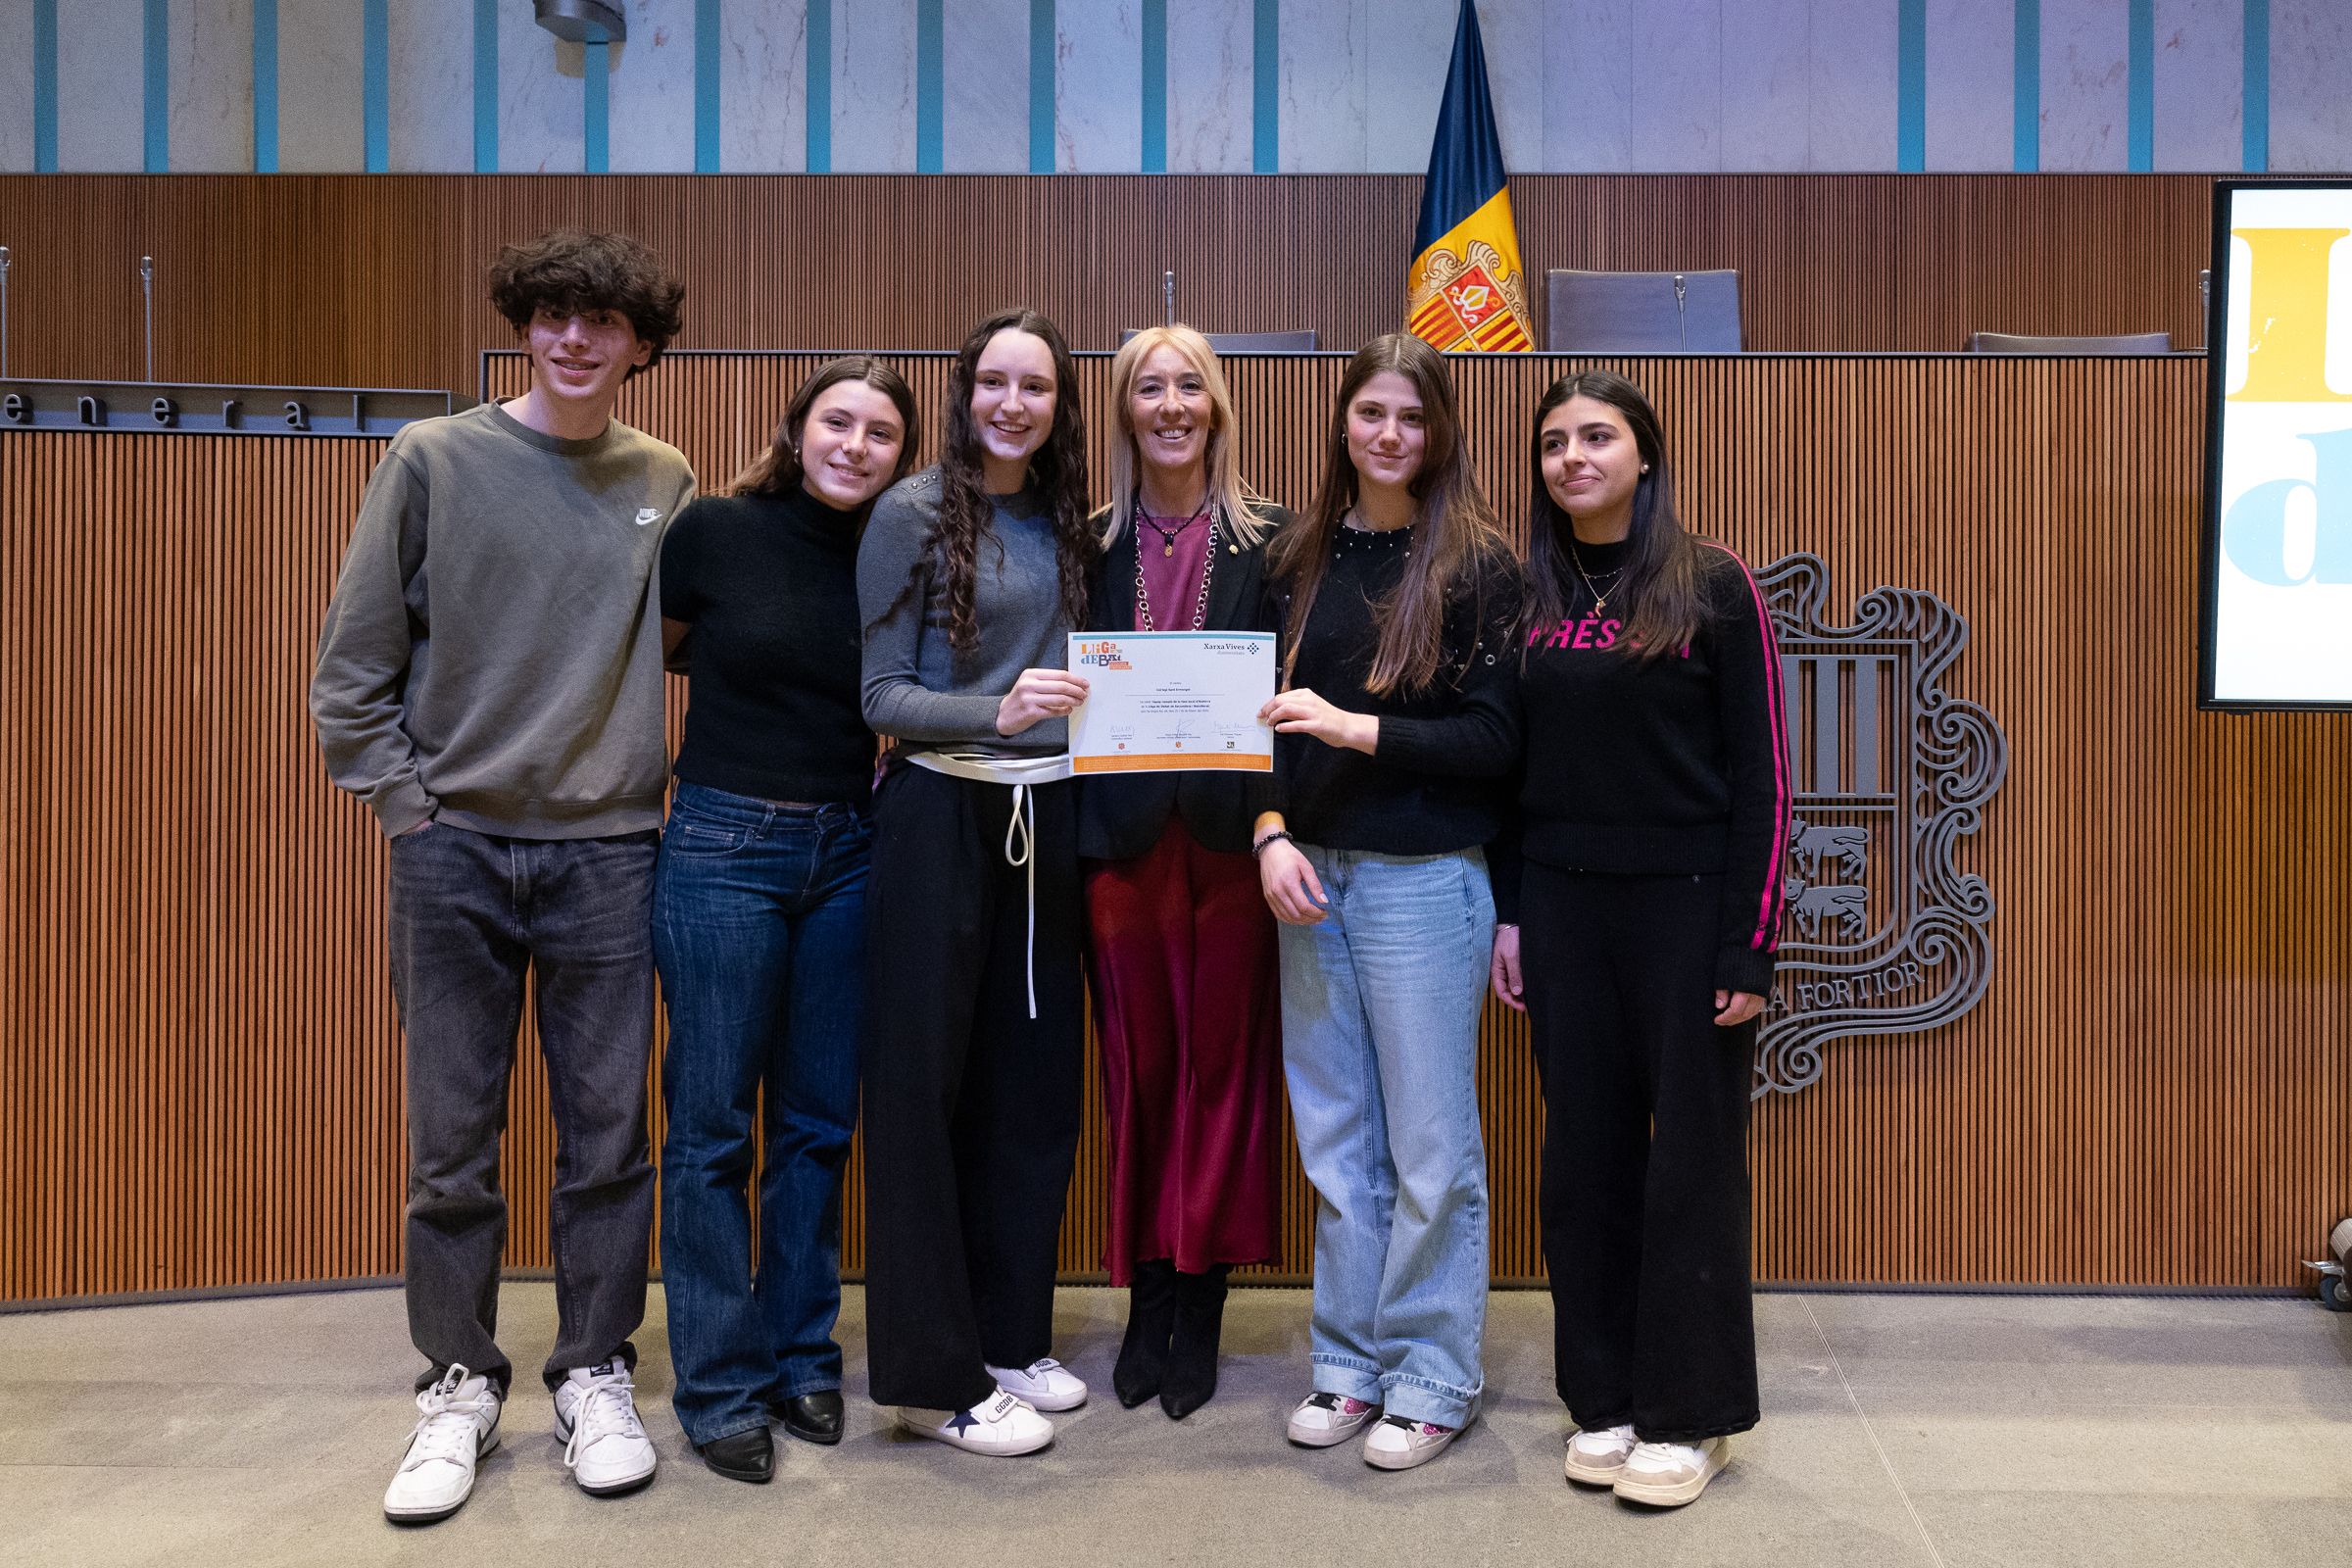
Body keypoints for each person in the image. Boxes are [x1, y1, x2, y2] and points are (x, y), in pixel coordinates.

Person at [309, 228, 693, 1522]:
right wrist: (411, 811)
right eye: (552, 316)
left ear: (640, 347)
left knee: (607, 1139)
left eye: (601, 321)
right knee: (451, 1142)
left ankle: (592, 1372)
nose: (573, 338)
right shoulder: (433, 457)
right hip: (454, 850)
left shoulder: (666, 476)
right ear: (525, 325)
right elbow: (354, 666)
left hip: (608, 853)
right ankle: (458, 1385)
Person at [1489, 369, 1788, 1508]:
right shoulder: (1525, 594)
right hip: (1564, 910)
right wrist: (1514, 908)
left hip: (1688, 907)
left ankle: (1692, 1413)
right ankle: (1604, 1399)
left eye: (1598, 437)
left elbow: (1765, 777)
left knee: (1693, 1171)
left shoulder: (1714, 585)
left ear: (1645, 456)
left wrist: (1748, 944)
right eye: (1555, 441)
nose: (1573, 457)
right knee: (1585, 1166)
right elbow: (1512, 777)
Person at [1250, 332, 1520, 1472]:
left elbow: (1499, 740)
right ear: (1343, 423)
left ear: (1439, 428)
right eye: (1372, 414)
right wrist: (1267, 833)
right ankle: (1349, 1366)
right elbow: (1245, 723)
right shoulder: (1293, 555)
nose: (1391, 435)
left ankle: (1431, 1375)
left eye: (1412, 416)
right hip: (1310, 874)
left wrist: (1352, 724)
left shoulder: (1480, 563)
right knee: (1338, 1140)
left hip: (1424, 882)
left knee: (1428, 1147)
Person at [653, 358, 920, 1484]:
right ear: (797, 428)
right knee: (713, 1124)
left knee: (816, 1121)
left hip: (849, 846)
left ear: (904, 457)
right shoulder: (711, 530)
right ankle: (719, 1381)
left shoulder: (897, 552)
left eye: (882, 434)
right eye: (838, 422)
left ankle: (800, 1347)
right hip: (722, 843)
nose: (856, 446)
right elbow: (653, 656)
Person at [855, 307, 1098, 1456]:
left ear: (1059, 405)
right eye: (995, 382)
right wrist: (994, 711)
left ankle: (1009, 1334)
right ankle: (928, 1373)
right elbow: (883, 696)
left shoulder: (1067, 520)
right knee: (921, 1097)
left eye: (1036, 387)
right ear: (965, 393)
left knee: (1033, 1089)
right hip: (938, 813)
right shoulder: (912, 511)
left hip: (1045, 818)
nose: (1014, 403)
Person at [1076, 326, 1288, 1421]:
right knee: (1141, 1074)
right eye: (1146, 388)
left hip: (1231, 841)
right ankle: (1146, 1290)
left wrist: (1272, 821)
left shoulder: (1276, 541)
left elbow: (1290, 711)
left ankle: (1201, 1295)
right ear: (1123, 410)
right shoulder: (1086, 541)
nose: (1169, 404)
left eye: (1187, 385)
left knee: (1225, 1075)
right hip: (1118, 844)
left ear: (1217, 404)